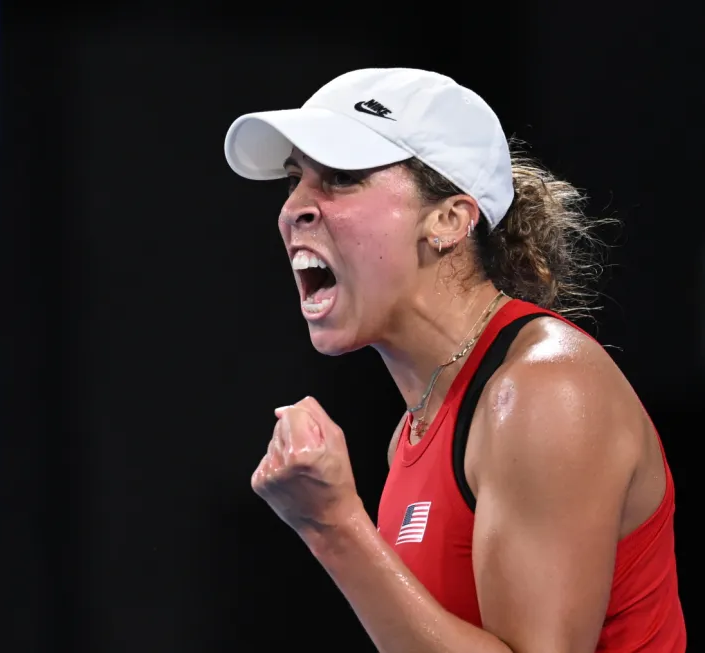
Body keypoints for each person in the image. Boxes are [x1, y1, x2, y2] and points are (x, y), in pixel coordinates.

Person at [224, 68, 685, 652]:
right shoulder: (418, 429)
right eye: (293, 181)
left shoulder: (544, 389)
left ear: (447, 220)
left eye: (340, 177)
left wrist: (333, 526)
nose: (294, 209)